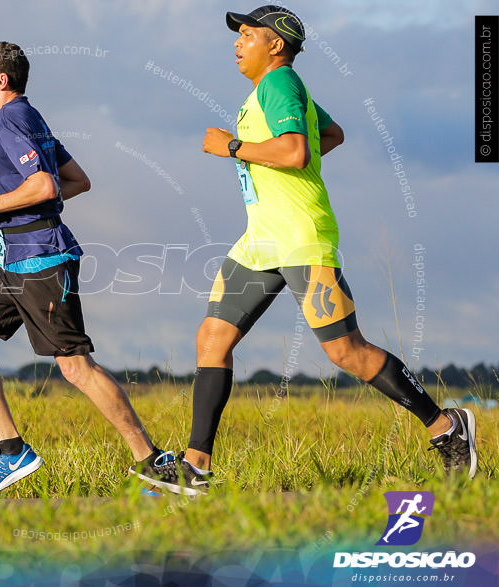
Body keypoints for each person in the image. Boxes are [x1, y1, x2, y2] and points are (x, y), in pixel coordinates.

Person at [165, 6, 477, 493]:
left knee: (345, 352)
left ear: (275, 45)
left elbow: (296, 151)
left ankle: (446, 427)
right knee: (212, 339)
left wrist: (231, 147)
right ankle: (195, 467)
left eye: (248, 34)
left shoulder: (280, 84)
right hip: (260, 241)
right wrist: (275, 164)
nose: (237, 42)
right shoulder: (272, 90)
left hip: (300, 237)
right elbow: (330, 134)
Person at [0, 41, 188, 498]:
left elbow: (44, 183)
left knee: (75, 368)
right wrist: (14, 205)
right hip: (7, 258)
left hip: (40, 260)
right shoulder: (29, 118)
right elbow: (75, 181)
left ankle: (152, 462)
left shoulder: (11, 117)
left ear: (2, 80)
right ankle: (12, 450)